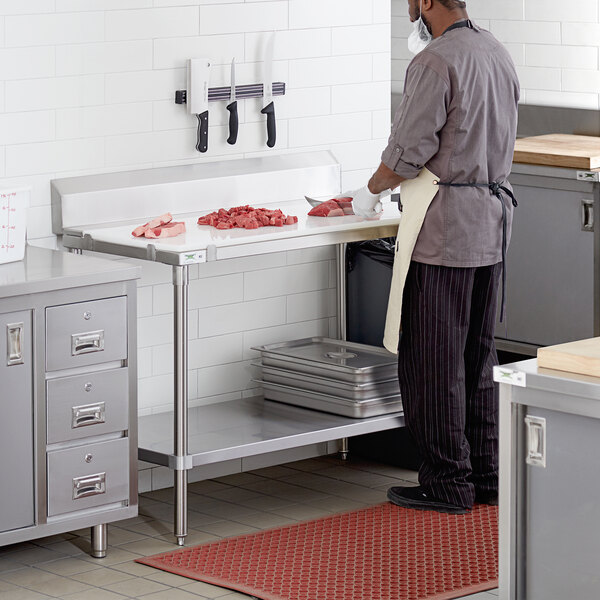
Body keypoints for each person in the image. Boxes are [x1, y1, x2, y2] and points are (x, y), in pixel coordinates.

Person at [349, 0, 520, 514]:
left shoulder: (434, 62)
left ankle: (447, 483)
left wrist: (366, 194)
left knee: (431, 360)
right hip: (492, 225)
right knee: (478, 356)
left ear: (425, 2)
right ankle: (486, 475)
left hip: (444, 231)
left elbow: (407, 150)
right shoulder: (497, 51)